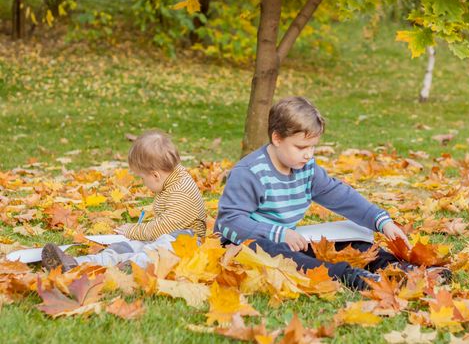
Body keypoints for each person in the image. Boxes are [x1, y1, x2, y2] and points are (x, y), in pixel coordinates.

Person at [215, 96, 420, 290]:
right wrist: (278, 233)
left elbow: (338, 194)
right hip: (244, 246)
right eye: (301, 147)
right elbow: (229, 221)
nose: (308, 154)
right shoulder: (250, 172)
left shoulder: (306, 168)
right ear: (277, 138)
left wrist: (381, 220)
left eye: (313, 147)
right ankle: (348, 277)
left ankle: (399, 269)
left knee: (352, 241)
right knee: (278, 253)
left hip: (289, 238)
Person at [42, 130, 206, 271]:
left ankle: (132, 267)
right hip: (160, 237)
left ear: (155, 175)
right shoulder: (170, 180)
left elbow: (164, 227)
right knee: (125, 247)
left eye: (142, 178)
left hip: (188, 243)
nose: (142, 182)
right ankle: (78, 264)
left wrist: (133, 230)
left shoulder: (181, 191)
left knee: (163, 245)